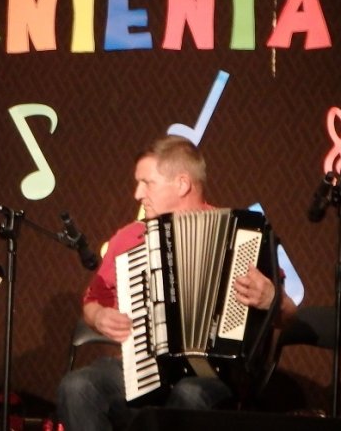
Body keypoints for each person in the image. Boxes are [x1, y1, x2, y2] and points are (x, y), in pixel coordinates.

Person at [56, 135, 298, 431]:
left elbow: (287, 316)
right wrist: (98, 316)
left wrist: (272, 299)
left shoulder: (240, 235)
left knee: (189, 395)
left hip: (216, 375)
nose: (137, 193)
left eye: (147, 183)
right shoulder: (129, 238)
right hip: (142, 369)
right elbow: (92, 301)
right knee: (77, 387)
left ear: (182, 184)